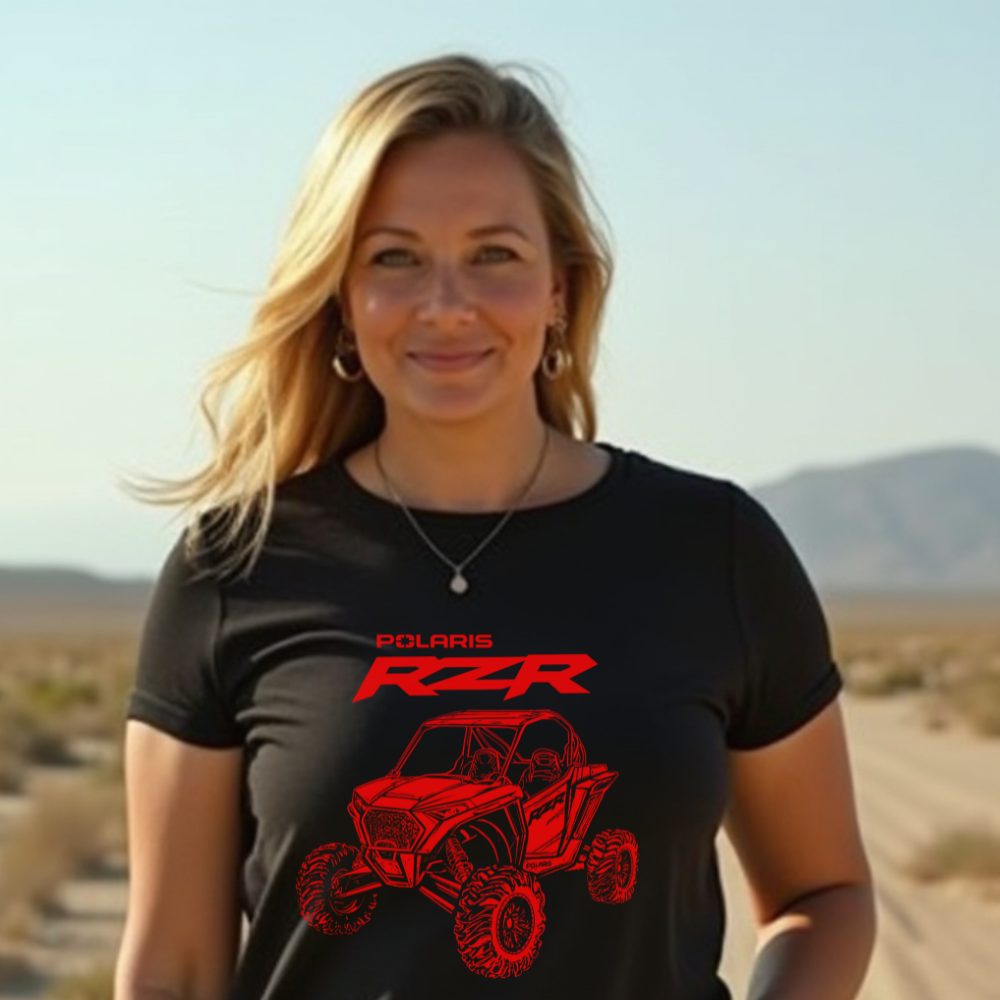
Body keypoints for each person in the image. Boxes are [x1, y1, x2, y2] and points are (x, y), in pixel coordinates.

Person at [115, 53, 875, 1000]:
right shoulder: (238, 568)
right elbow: (175, 971)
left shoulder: (712, 548)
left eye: (495, 254)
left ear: (560, 287)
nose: (447, 305)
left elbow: (823, 891)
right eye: (394, 257)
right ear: (342, 297)